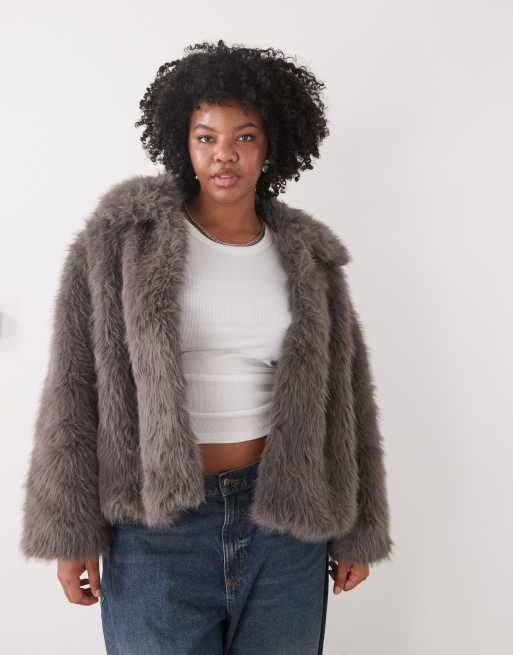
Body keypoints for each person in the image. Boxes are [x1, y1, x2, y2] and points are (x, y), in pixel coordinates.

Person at [20, 39, 394, 654]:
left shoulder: (310, 257)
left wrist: (360, 527)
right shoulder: (123, 240)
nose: (225, 154)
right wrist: (70, 530)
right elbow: (73, 386)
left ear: (272, 147)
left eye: (245, 136)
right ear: (184, 143)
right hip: (156, 527)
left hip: (284, 527)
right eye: (206, 136)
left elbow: (348, 400)